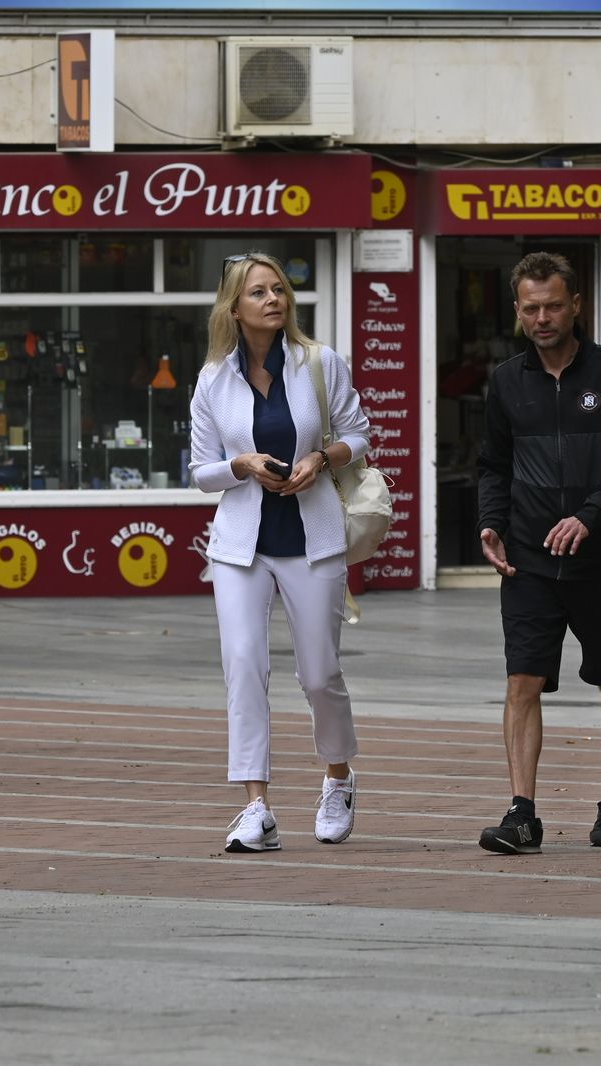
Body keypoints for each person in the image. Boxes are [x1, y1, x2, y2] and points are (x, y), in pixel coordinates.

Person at [189, 252, 372, 853]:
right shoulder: (213, 378)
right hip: (241, 545)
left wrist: (323, 458)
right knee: (243, 666)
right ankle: (256, 808)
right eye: (259, 292)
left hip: (312, 538)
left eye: (279, 290)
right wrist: (239, 465)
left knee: (319, 674)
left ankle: (338, 778)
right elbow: (201, 472)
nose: (273, 299)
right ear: (234, 308)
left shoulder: (319, 363)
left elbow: (358, 433)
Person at [475, 252, 601, 854]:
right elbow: (493, 466)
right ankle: (522, 812)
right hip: (528, 559)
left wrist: (590, 514)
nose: (543, 318)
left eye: (554, 305)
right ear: (519, 310)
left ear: (576, 305)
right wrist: (492, 524)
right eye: (531, 308)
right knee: (521, 680)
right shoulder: (506, 381)